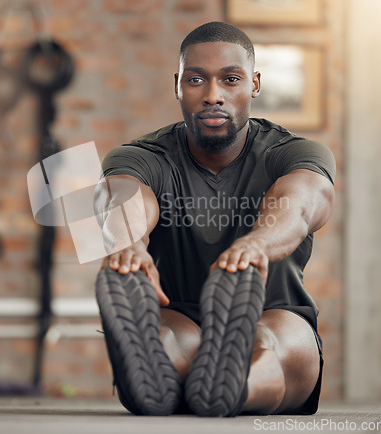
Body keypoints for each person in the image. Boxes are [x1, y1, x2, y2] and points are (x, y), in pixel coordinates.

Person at [94, 21, 335, 417]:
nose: (212, 96)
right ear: (177, 85)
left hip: (273, 310)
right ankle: (205, 381)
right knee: (166, 336)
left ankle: (221, 382)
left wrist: (257, 243)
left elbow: (300, 202)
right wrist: (128, 246)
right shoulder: (142, 156)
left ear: (254, 83)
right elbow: (123, 198)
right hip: (178, 311)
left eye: (230, 79)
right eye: (196, 80)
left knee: (267, 341)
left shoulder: (291, 153)